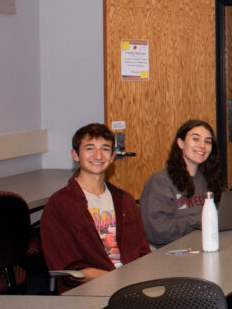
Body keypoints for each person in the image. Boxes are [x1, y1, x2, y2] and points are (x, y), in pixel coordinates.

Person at [41, 124, 151, 291]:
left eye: (105, 149)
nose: (98, 155)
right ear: (75, 155)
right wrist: (121, 281)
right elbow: (70, 268)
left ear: (113, 156)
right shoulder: (59, 205)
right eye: (89, 148)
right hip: (89, 291)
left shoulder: (125, 201)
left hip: (131, 286)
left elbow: (143, 252)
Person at [141, 119, 225, 247]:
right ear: (181, 143)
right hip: (170, 253)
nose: (202, 145)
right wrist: (201, 219)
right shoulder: (161, 181)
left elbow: (225, 212)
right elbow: (157, 231)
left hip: (204, 245)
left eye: (208, 141)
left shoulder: (210, 178)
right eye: (196, 139)